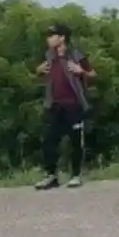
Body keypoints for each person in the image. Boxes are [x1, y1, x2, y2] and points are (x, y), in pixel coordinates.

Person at [34, 23, 96, 189]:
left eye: (52, 35)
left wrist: (80, 71)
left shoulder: (76, 54)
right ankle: (51, 175)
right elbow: (39, 71)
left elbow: (93, 74)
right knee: (49, 140)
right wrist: (38, 70)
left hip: (73, 105)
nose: (49, 38)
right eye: (48, 35)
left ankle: (75, 175)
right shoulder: (48, 55)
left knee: (75, 141)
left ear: (62, 38)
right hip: (54, 105)